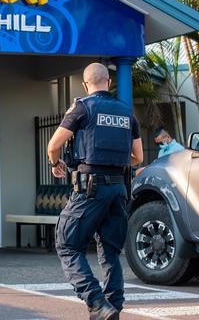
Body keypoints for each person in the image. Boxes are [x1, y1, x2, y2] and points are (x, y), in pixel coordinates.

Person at [47, 63, 144, 320]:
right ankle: (112, 310)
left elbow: (53, 145)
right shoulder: (126, 112)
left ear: (85, 85)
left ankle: (96, 302)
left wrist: (55, 163)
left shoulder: (82, 108)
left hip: (90, 188)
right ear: (109, 82)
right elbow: (138, 157)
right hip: (119, 188)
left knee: (67, 244)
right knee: (110, 252)